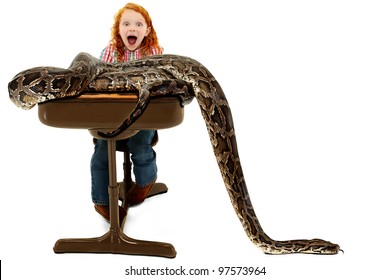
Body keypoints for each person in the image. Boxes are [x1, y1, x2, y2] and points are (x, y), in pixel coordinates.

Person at [91, 2, 163, 224]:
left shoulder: (155, 53)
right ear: (119, 29)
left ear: (147, 31)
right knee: (102, 152)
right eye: (127, 23)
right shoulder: (109, 52)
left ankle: (145, 182)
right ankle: (101, 201)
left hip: (145, 115)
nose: (132, 28)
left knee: (140, 146)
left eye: (138, 24)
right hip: (112, 117)